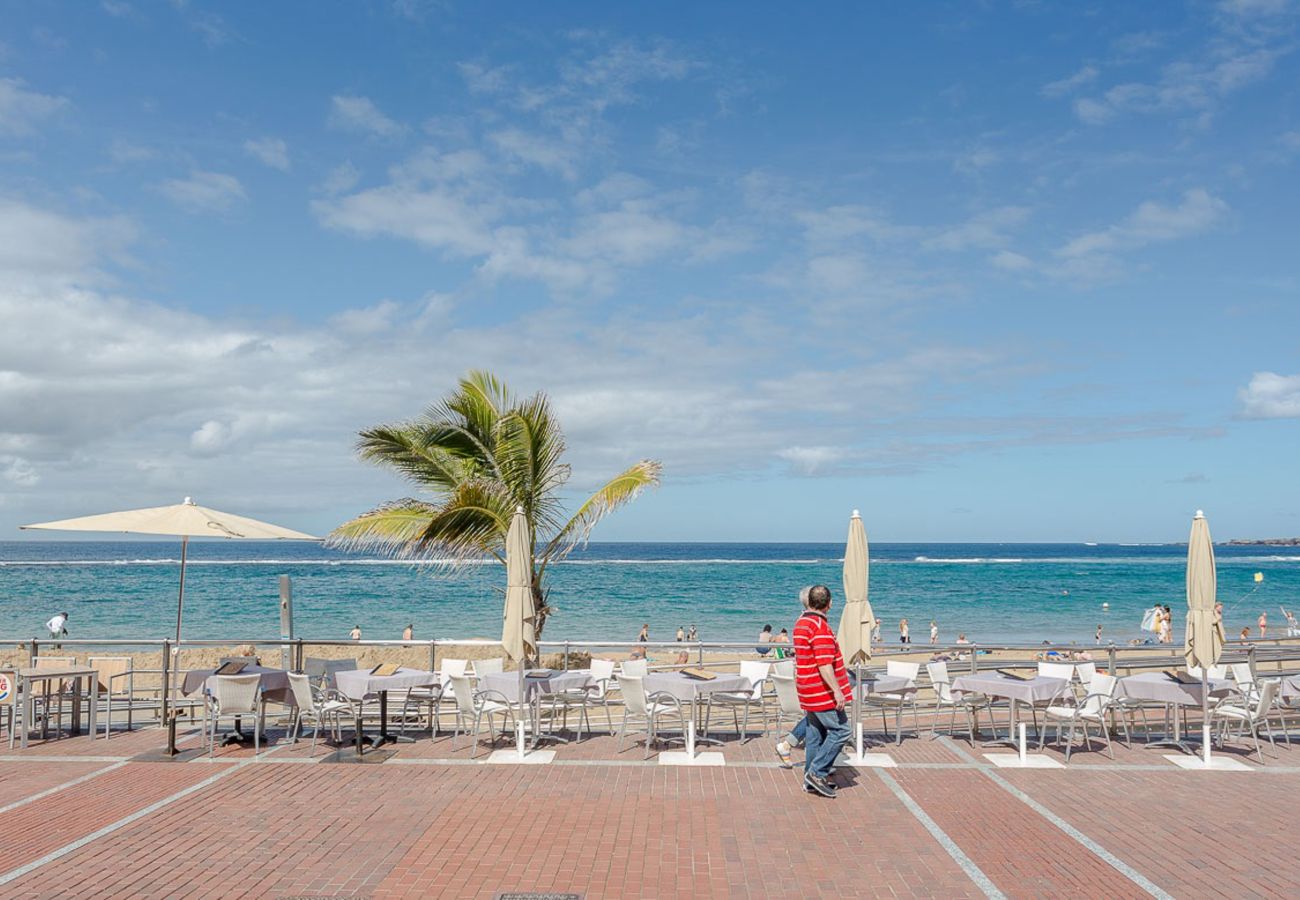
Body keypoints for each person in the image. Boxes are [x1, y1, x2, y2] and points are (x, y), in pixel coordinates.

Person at [792, 584, 851, 798]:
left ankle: (810, 779)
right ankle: (816, 773)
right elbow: (824, 664)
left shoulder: (801, 623)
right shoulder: (820, 627)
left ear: (809, 602)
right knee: (842, 730)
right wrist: (837, 690)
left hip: (806, 686)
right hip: (821, 691)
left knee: (815, 733)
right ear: (829, 604)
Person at [775, 587, 812, 768]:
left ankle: (816, 761)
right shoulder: (808, 623)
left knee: (817, 719)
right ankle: (818, 763)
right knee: (821, 717)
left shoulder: (801, 622)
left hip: (804, 675)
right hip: (810, 678)